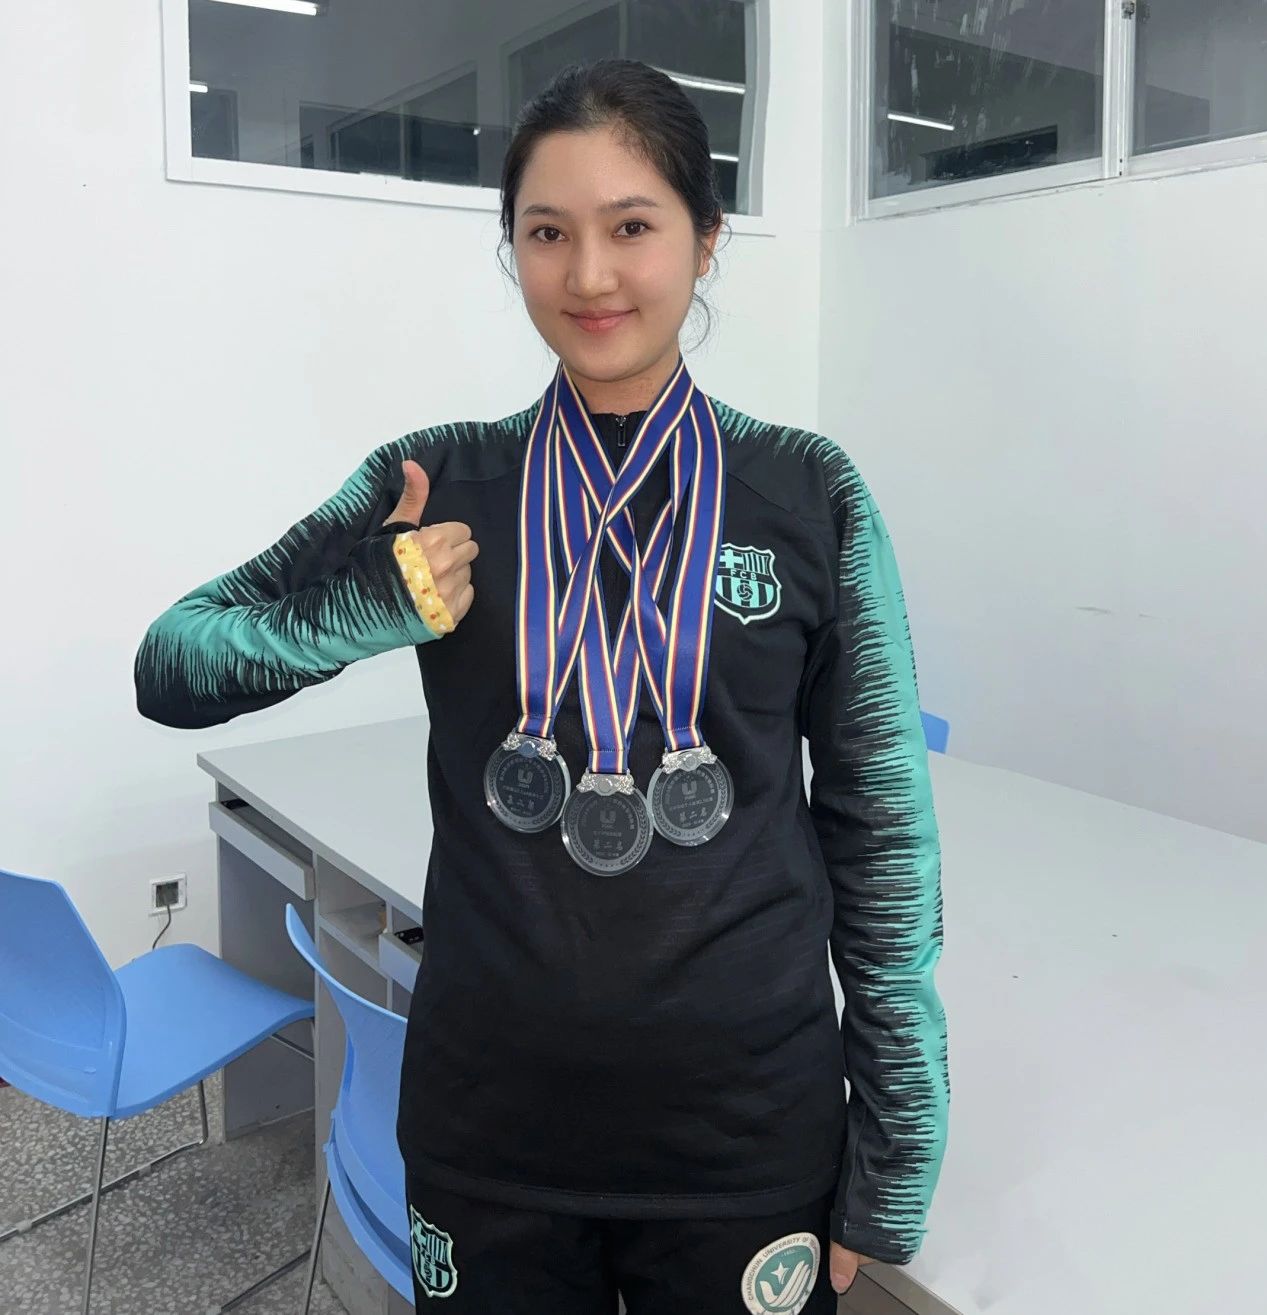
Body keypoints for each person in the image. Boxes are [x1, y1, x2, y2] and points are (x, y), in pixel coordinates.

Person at [134, 57, 948, 1315]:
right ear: (511, 247)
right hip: (489, 1124)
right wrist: (362, 611)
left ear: (706, 240)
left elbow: (879, 835)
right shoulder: (433, 482)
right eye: (547, 233)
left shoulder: (807, 492)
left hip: (743, 1128)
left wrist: (893, 1156)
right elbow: (173, 661)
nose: (590, 276)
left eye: (632, 227)